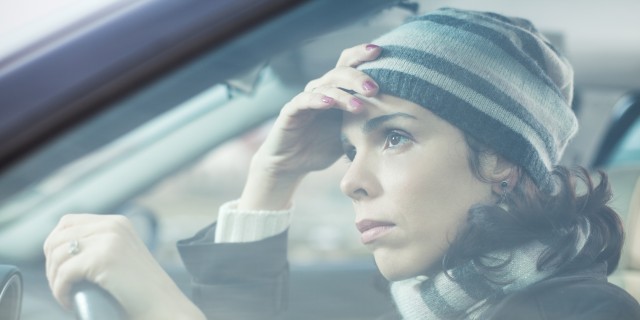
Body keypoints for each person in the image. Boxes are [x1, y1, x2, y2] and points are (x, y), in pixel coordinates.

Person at [43, 7, 640, 320]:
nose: (351, 180)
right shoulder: (429, 298)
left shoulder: (586, 314)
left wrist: (162, 312)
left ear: (502, 162)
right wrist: (272, 178)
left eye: (396, 138)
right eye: (352, 149)